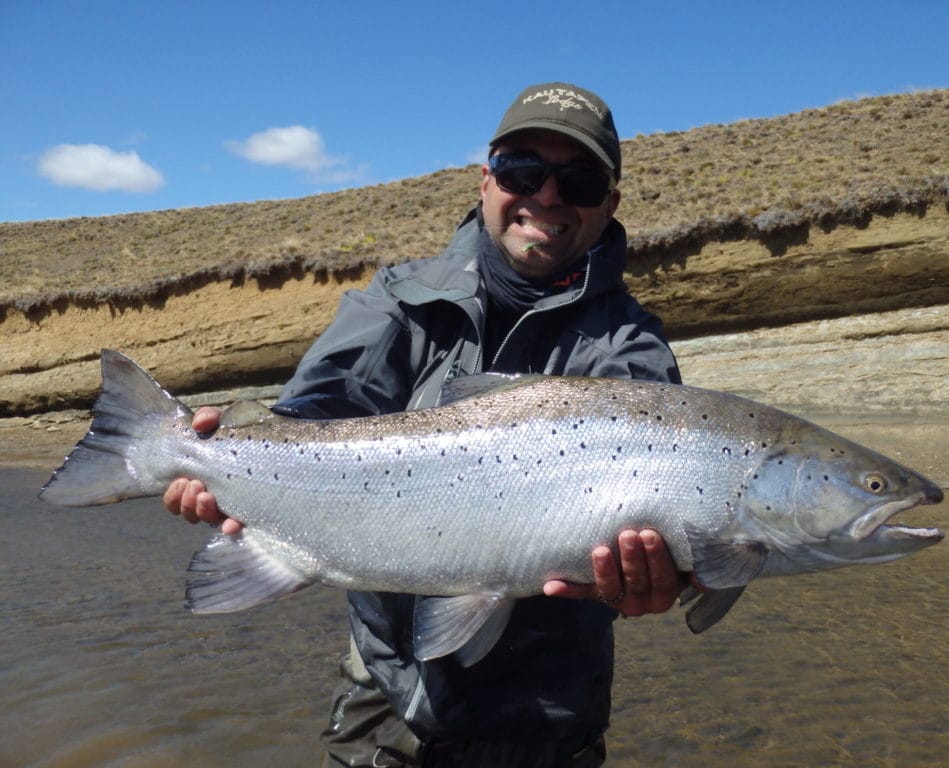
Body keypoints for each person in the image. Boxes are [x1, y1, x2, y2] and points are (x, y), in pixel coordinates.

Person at [165, 82, 687, 767]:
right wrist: (223, 466)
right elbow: (312, 413)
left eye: (579, 180)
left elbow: (663, 512)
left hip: (553, 710)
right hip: (389, 693)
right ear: (486, 180)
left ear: (610, 204)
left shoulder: (630, 348)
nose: (548, 197)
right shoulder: (397, 301)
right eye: (524, 172)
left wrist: (662, 582)